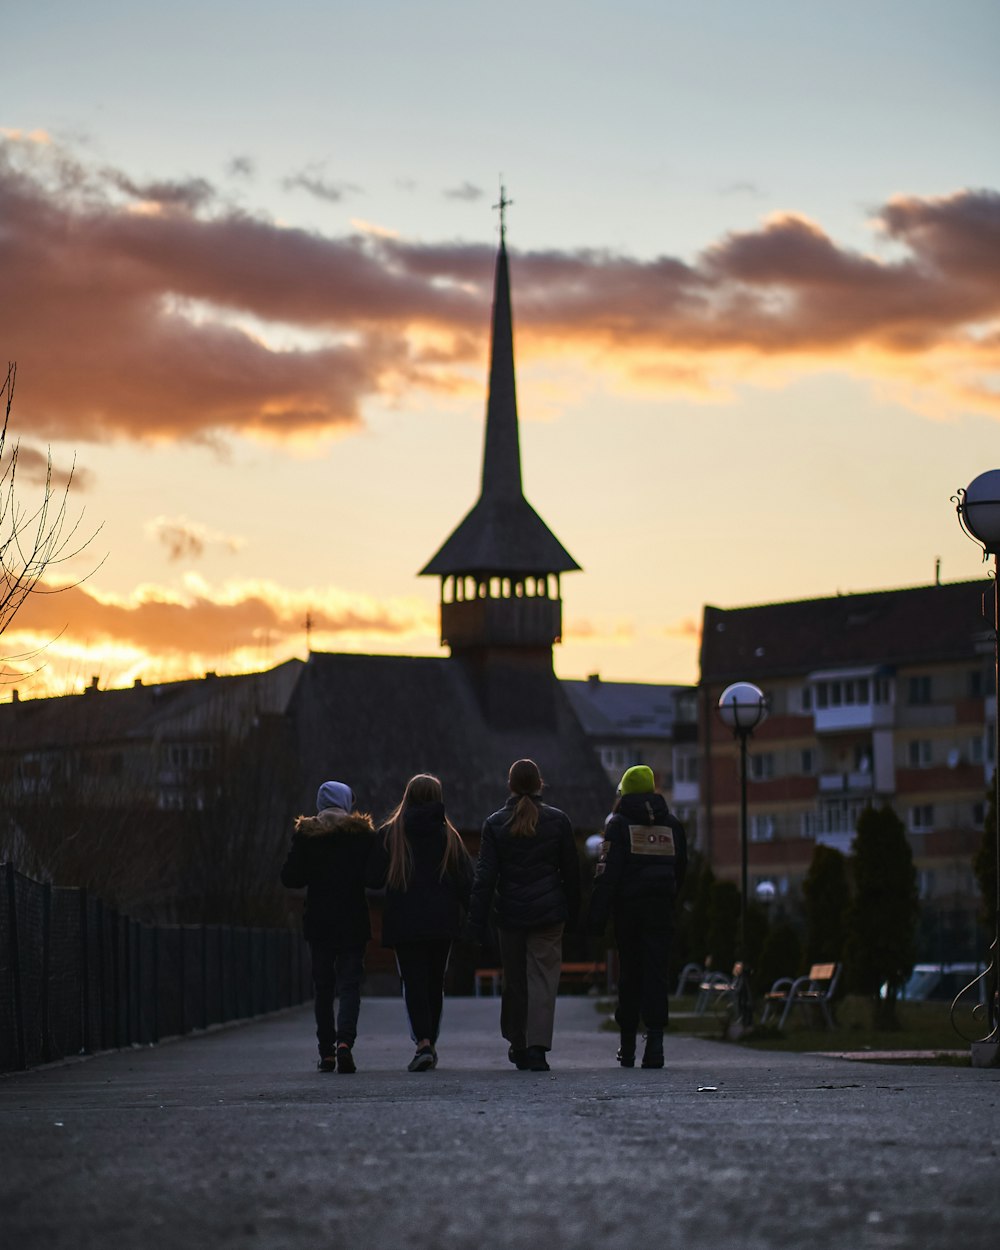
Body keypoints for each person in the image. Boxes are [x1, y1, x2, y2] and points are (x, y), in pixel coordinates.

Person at [466, 758, 580, 1072]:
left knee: (514, 981)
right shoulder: (558, 821)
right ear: (540, 783)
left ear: (511, 785)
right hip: (548, 913)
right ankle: (537, 1048)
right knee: (542, 980)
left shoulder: (495, 823)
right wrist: (576, 914)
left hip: (511, 915)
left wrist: (475, 923)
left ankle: (517, 1042)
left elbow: (485, 877)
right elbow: (571, 873)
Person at [367, 774, 474, 1072]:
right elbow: (468, 883)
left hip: (404, 922)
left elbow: (372, 878)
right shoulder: (449, 836)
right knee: (434, 982)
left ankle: (423, 1042)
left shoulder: (391, 835)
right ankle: (431, 1041)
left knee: (412, 982)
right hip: (442, 922)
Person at [587, 764, 688, 1069]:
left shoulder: (618, 825)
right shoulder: (672, 825)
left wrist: (596, 918)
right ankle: (655, 1046)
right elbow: (680, 869)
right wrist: (669, 898)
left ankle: (628, 1046)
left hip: (629, 913)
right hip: (660, 911)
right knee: (657, 974)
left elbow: (608, 874)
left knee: (629, 974)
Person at [280, 780, 375, 1073]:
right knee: (349, 986)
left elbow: (290, 878)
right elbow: (376, 877)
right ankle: (345, 1042)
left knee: (323, 988)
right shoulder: (361, 836)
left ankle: (327, 1052)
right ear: (346, 803)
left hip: (319, 922)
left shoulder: (308, 836)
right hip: (352, 920)